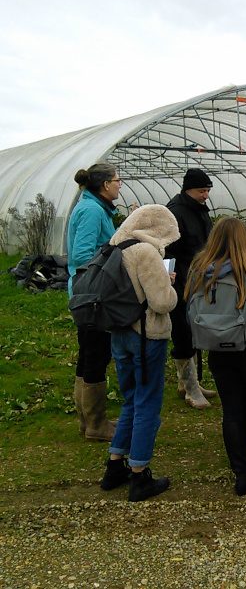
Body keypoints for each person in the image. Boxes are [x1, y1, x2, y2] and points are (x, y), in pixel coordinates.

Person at [185, 217, 246, 496]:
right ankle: (245, 465)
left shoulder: (199, 269)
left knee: (230, 408)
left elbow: (188, 310)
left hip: (216, 347)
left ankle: (239, 467)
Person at [99, 205, 179, 502]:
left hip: (118, 333)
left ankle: (114, 466)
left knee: (131, 399)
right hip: (146, 335)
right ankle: (139, 474)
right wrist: (170, 286)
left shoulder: (114, 248)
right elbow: (161, 303)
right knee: (147, 403)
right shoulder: (145, 252)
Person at [67, 164, 120, 442]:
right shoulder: (92, 211)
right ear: (104, 185)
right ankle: (96, 425)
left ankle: (88, 421)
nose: (120, 184)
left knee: (89, 355)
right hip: (92, 297)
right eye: (116, 179)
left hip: (89, 295)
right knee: (96, 355)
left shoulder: (95, 207)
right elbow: (82, 255)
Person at [166, 169, 216, 409]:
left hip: (199, 279)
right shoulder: (176, 213)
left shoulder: (199, 210)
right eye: (201, 191)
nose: (205, 195)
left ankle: (188, 381)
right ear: (188, 189)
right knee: (183, 332)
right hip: (181, 282)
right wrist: (172, 281)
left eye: (207, 190)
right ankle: (190, 388)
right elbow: (169, 252)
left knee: (195, 328)